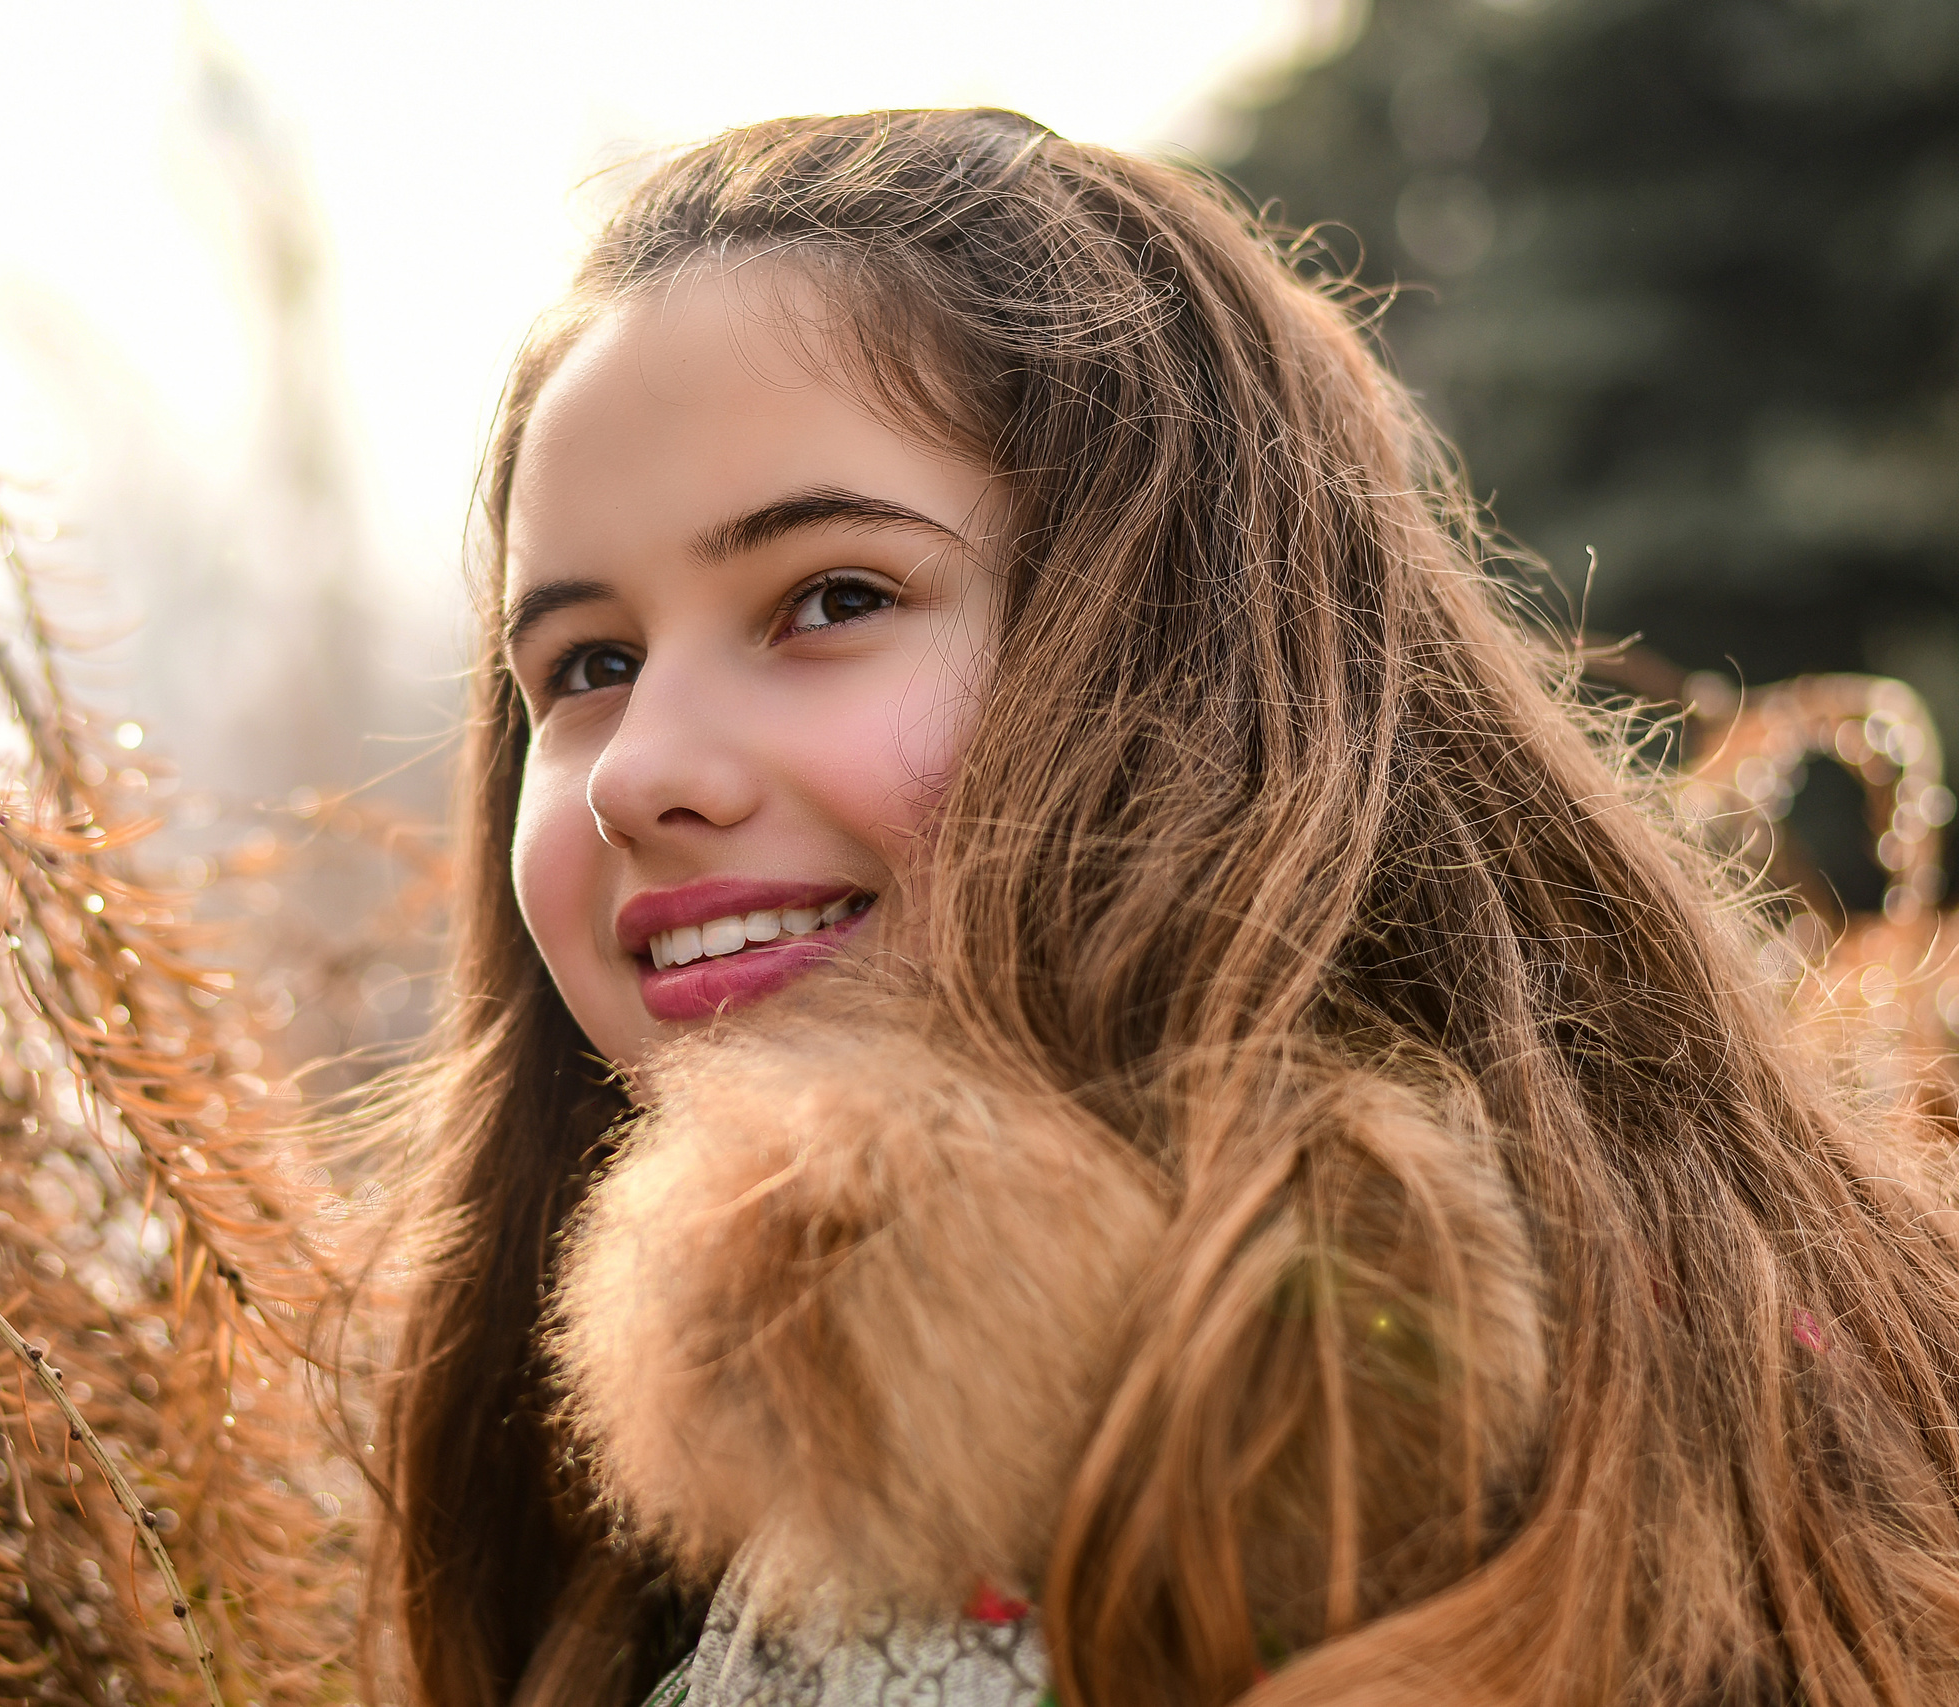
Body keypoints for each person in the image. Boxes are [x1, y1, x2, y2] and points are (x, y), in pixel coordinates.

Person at [366, 109, 1959, 1707]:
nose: (640, 770)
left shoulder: (1352, 1429)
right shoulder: (654, 1494)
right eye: (589, 664)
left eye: (833, 598)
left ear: (1191, 660)